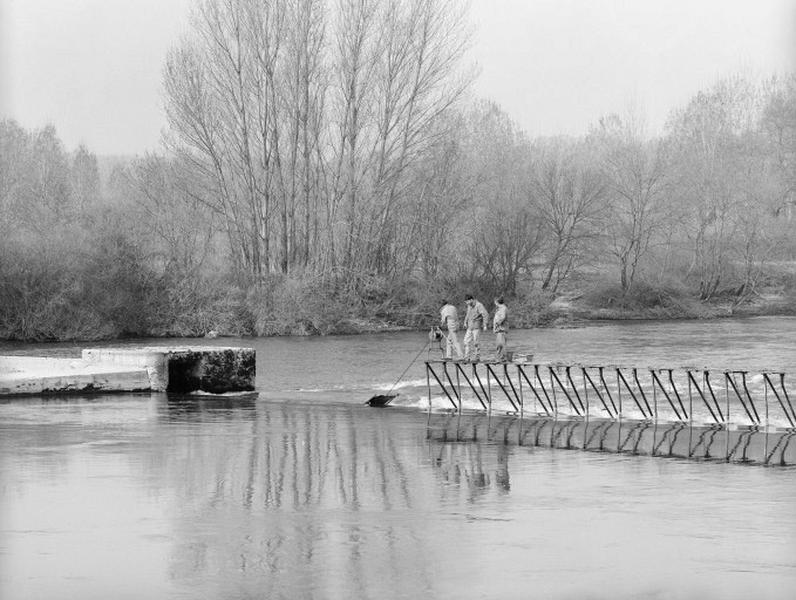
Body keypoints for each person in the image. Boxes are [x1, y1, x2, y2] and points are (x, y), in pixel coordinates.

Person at [462, 294, 489, 362]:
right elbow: (467, 314)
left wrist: (485, 324)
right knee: (466, 342)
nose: (466, 303)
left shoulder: (479, 305)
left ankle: (477, 357)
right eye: (465, 302)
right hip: (469, 327)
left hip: (476, 327)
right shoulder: (469, 306)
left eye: (467, 302)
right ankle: (467, 357)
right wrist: (465, 322)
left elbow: (485, 314)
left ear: (471, 300)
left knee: (476, 343)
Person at [493, 296, 508, 361]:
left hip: (501, 329)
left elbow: (503, 317)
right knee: (500, 344)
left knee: (500, 344)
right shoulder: (500, 308)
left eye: (495, 302)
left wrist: (497, 324)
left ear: (497, 302)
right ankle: (500, 357)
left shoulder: (503, 308)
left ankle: (502, 357)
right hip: (499, 329)